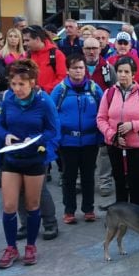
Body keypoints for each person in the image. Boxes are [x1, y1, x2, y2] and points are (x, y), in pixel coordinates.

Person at [0, 59, 60, 268]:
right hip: (11, 159)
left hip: (34, 159)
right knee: (9, 205)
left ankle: (31, 245)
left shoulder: (44, 101)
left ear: (32, 82)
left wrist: (36, 140)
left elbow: (53, 130)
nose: (17, 89)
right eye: (13, 84)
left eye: (21, 84)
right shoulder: (6, 100)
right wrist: (6, 135)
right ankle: (11, 247)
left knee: (32, 205)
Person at [97, 57, 139, 205]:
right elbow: (101, 119)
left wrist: (133, 125)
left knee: (135, 180)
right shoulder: (109, 93)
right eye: (119, 71)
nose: (122, 75)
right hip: (115, 145)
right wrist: (112, 135)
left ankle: (136, 214)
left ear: (133, 74)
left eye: (126, 71)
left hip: (137, 147)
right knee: (118, 179)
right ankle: (121, 212)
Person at [51, 55, 103, 224]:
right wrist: (56, 139)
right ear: (67, 70)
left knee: (88, 176)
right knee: (69, 177)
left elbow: (103, 114)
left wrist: (101, 137)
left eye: (81, 68)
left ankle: (88, 209)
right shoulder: (60, 90)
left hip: (90, 141)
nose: (78, 71)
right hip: (67, 142)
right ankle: (69, 210)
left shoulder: (95, 89)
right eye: (74, 68)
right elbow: (52, 116)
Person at [22, 25, 67, 92]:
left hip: (51, 97)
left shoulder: (57, 54)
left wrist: (43, 90)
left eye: (27, 40)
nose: (24, 44)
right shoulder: (27, 56)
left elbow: (63, 78)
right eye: (24, 41)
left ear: (37, 39)